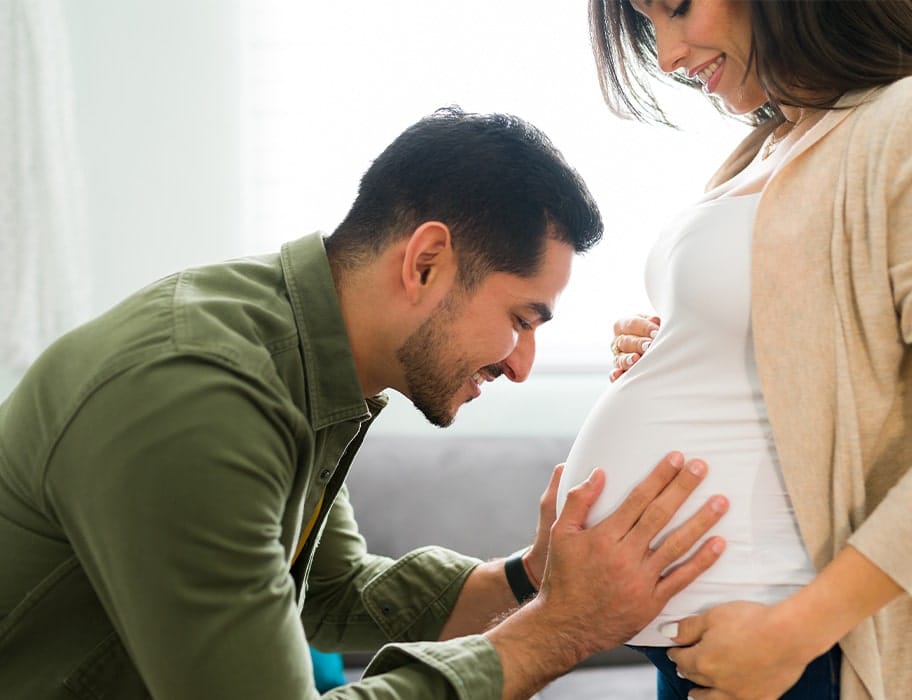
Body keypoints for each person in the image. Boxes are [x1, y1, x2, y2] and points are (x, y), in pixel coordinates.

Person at [0, 107, 731, 699]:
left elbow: (333, 592)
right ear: (425, 262)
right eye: (520, 319)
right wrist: (558, 629)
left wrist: (531, 578)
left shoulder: (306, 361)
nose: (521, 364)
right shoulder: (202, 391)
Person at [555, 1, 912, 698]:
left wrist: (792, 634)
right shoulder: (767, 143)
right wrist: (679, 339)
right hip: (704, 643)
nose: (667, 54)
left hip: (792, 649)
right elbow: (808, 351)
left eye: (677, 6)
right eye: (649, 25)